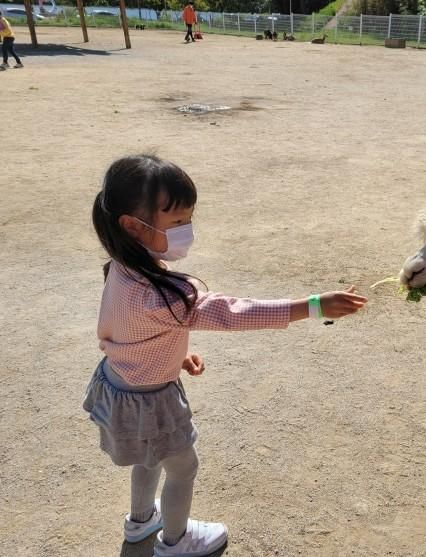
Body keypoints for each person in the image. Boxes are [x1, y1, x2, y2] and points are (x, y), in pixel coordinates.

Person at [85, 154, 368, 556]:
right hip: (152, 401)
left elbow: (130, 332)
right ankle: (176, 541)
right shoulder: (165, 294)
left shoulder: (122, 265)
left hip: (120, 384)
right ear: (133, 225)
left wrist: (172, 354)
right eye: (177, 222)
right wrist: (313, 305)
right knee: (183, 468)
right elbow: (232, 312)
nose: (187, 231)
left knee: (147, 459)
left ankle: (141, 521)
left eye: (188, 219)